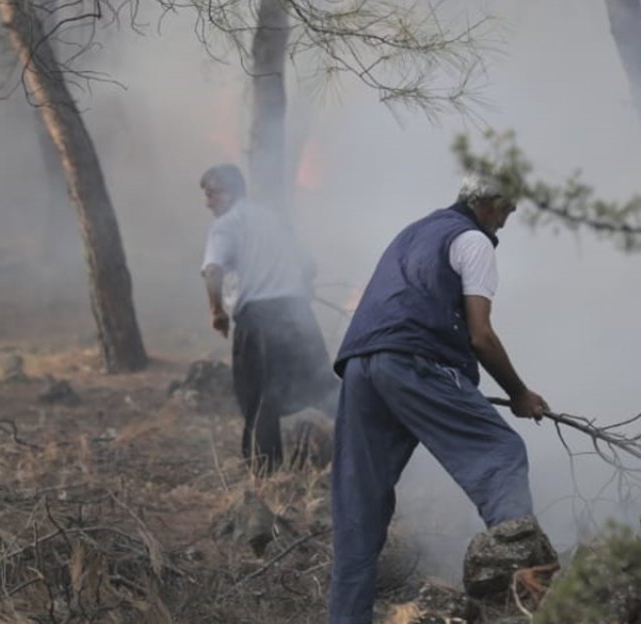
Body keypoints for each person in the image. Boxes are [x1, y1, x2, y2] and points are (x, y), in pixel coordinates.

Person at [328, 173, 549, 623]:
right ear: (488, 203)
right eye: (507, 209)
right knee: (501, 453)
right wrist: (520, 394)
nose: (507, 220)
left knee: (359, 506)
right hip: (415, 361)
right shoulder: (474, 241)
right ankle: (526, 593)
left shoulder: (415, 231)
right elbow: (481, 336)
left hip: (360, 364)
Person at [198, 163, 337, 475]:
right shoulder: (271, 218)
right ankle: (365, 441)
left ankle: (264, 476)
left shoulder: (226, 224)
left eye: (211, 195)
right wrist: (303, 288)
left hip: (260, 321)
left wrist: (216, 311)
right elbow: (308, 264)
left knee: (259, 397)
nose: (207, 203)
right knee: (322, 388)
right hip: (299, 315)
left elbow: (213, 270)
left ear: (229, 192)